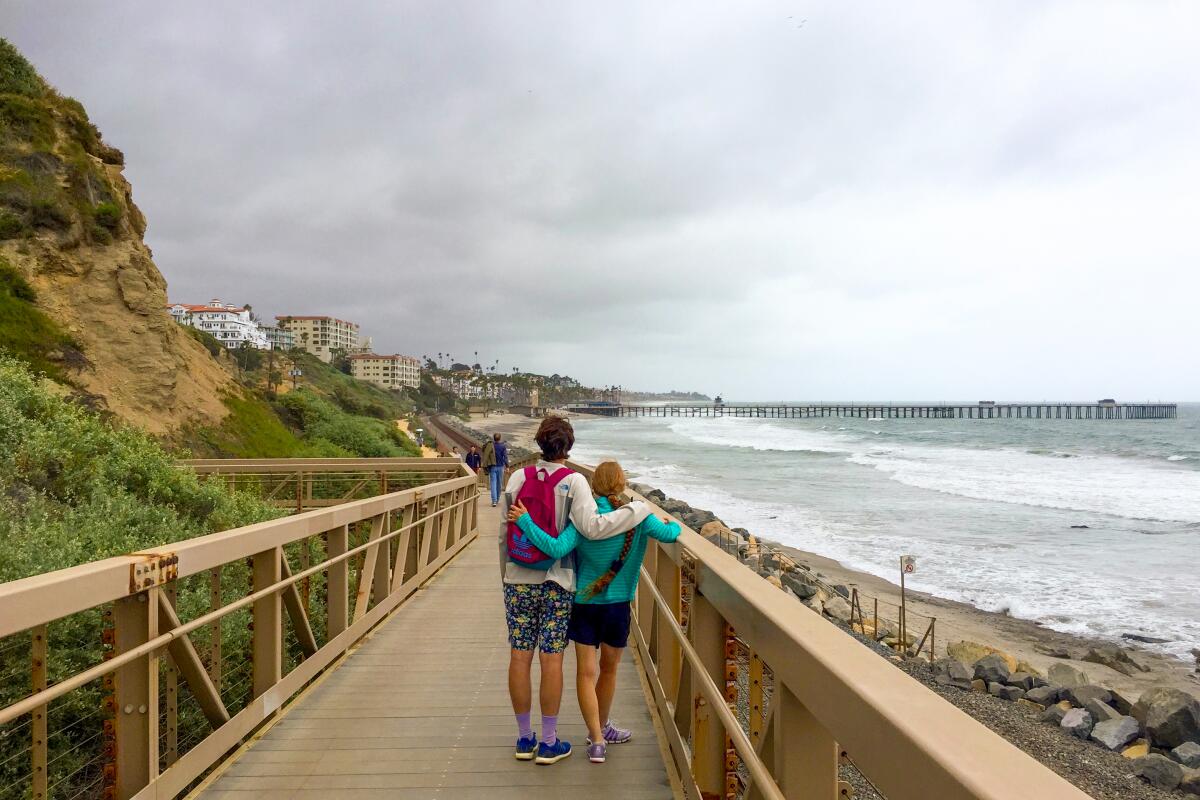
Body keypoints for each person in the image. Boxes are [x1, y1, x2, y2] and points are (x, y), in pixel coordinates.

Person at [499, 416, 652, 766]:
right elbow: (592, 528)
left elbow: (502, 536)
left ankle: (525, 739)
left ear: (539, 443)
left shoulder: (518, 477)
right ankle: (550, 742)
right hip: (557, 580)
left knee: (519, 656)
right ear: (568, 446)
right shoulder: (574, 482)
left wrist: (505, 577)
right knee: (551, 659)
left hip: (517, 578)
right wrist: (636, 510)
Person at [509, 460, 680, 764]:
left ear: (593, 487)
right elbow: (669, 535)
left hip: (585, 605)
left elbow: (556, 547)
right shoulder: (638, 516)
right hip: (617, 605)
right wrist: (674, 524)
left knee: (586, 673)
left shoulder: (582, 519)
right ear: (621, 483)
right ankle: (600, 728)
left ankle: (597, 740)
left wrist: (525, 523)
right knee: (609, 669)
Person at [482, 433, 509, 506]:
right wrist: (507, 466)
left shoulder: (490, 445)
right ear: (500, 438)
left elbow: (484, 452)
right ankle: (497, 499)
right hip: (500, 467)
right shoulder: (503, 446)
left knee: (493, 483)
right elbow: (505, 457)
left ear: (494, 438)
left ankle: (494, 501)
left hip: (493, 466)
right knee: (499, 484)